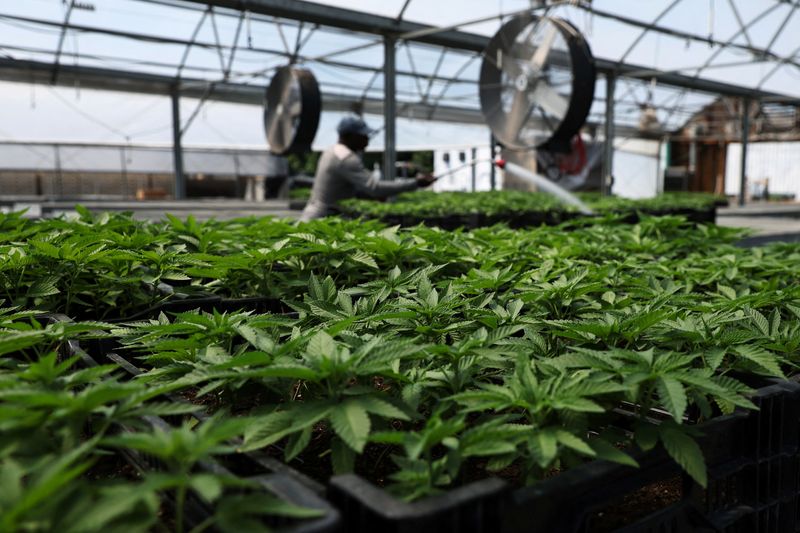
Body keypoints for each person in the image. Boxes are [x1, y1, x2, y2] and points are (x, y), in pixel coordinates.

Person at [300, 116, 436, 220]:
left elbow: (345, 189)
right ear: (349, 136)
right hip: (323, 219)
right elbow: (375, 188)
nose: (367, 140)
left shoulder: (331, 151)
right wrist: (416, 183)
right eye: (363, 136)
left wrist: (370, 196)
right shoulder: (347, 159)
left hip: (313, 213)